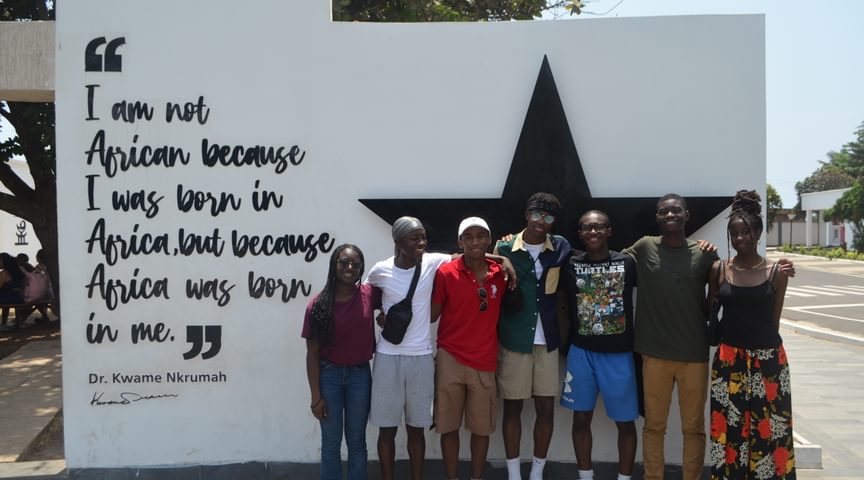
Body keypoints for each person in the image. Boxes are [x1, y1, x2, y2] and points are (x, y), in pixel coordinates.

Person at [622, 194, 720, 480]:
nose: (670, 215)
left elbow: (715, 300)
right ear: (657, 217)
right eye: (664, 211)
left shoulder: (705, 254)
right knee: (654, 426)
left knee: (693, 428)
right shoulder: (645, 246)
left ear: (687, 215)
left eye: (676, 210)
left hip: (694, 354)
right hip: (654, 353)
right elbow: (609, 263)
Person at [707, 191, 795, 480]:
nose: (739, 238)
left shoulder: (776, 272)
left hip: (768, 361)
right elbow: (709, 310)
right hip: (729, 360)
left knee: (770, 428)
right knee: (729, 428)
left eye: (745, 232)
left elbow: (774, 321)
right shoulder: (719, 269)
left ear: (757, 233)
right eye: (734, 233)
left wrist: (762, 354)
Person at [366, 217, 456, 480]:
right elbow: (364, 299)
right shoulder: (380, 270)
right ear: (398, 241)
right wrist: (380, 316)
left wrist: (503, 259)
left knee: (417, 429)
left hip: (421, 358)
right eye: (414, 238)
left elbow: (466, 257)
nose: (422, 242)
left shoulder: (432, 262)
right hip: (388, 357)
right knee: (387, 430)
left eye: (423, 237)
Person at [494, 192, 571, 480]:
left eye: (548, 217)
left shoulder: (561, 246)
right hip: (515, 338)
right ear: (527, 215)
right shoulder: (504, 246)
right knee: (512, 407)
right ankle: (514, 473)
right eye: (537, 214)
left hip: (548, 340)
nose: (541, 221)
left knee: (546, 409)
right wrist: (501, 258)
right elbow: (478, 258)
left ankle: (537, 472)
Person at [561, 210, 638, 480]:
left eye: (599, 227)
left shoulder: (627, 262)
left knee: (625, 423)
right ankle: (585, 476)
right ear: (579, 234)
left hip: (619, 354)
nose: (593, 232)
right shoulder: (569, 264)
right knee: (581, 419)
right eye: (587, 228)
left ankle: (624, 478)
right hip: (581, 353)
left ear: (609, 231)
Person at [430, 217, 508, 480]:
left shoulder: (501, 274)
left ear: (489, 239)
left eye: (481, 236)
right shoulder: (446, 273)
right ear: (460, 241)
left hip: (484, 359)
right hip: (450, 357)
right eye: (469, 237)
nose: (475, 241)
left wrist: (503, 261)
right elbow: (432, 314)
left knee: (481, 428)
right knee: (448, 426)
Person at [302, 244, 381, 480]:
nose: (349, 267)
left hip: (360, 376)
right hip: (329, 377)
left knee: (357, 441)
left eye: (355, 264)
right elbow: (312, 353)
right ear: (333, 265)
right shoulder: (317, 305)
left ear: (361, 268)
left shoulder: (369, 294)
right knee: (331, 442)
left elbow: (396, 295)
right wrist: (316, 397)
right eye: (343, 262)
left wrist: (387, 315)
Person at [0, 252, 26, 331]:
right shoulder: (17, 271)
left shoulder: (4, 272)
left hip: (9, 297)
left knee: (3, 297)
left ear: (4, 261)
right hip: (16, 297)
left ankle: (3, 323)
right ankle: (4, 324)